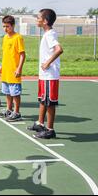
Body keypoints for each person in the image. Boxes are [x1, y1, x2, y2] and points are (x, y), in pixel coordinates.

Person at [28, 9, 63, 139]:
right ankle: (40, 123)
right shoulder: (47, 33)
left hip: (50, 76)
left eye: (38, 18)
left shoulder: (50, 34)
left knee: (50, 102)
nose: (37, 20)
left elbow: (59, 49)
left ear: (45, 21)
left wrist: (47, 63)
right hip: (44, 75)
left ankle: (50, 129)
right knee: (43, 100)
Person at [0, 15, 26, 122]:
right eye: (4, 26)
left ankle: (17, 112)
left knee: (15, 93)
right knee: (7, 92)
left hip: (14, 71)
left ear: (13, 25)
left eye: (8, 26)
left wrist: (19, 68)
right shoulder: (5, 37)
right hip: (6, 71)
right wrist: (1, 65)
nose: (5, 29)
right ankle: (9, 110)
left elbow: (22, 55)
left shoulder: (18, 38)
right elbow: (5, 53)